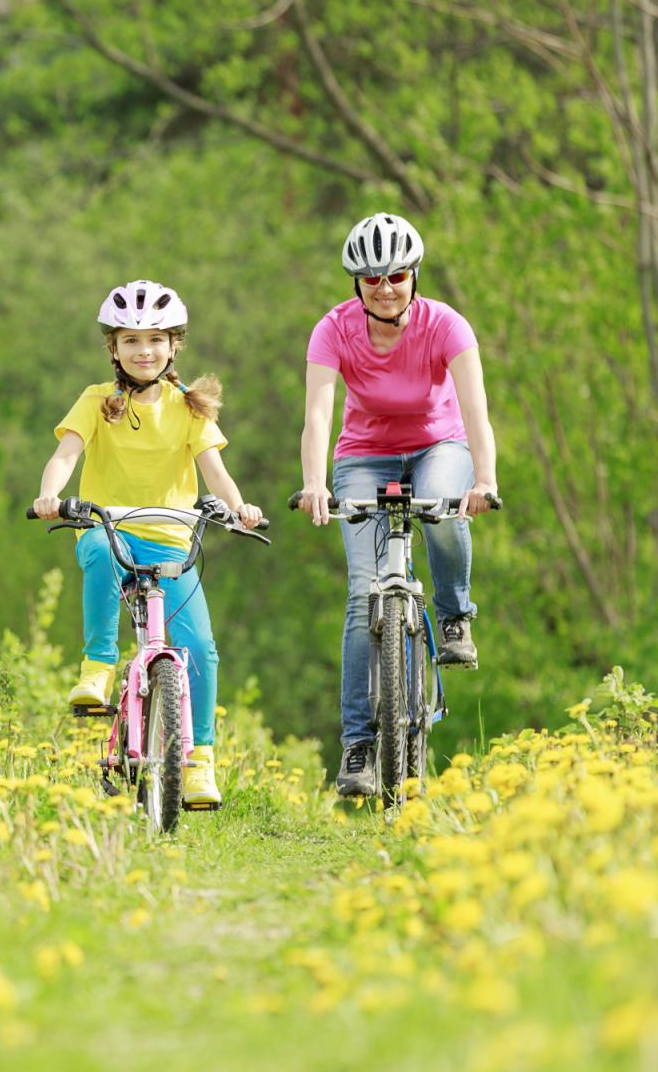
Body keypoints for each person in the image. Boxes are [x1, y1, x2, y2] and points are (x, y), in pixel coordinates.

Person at [33, 279, 263, 809]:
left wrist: (240, 507)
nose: (144, 351)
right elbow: (66, 456)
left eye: (155, 339)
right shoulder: (96, 401)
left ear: (174, 345)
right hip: (110, 528)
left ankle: (199, 761)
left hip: (171, 541)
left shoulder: (190, 407)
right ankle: (98, 666)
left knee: (201, 648)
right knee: (94, 554)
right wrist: (51, 494)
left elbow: (216, 474)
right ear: (113, 348)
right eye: (131, 340)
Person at [296, 214, 498, 798]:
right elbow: (316, 415)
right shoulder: (333, 330)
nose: (385, 287)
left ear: (415, 275)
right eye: (371, 277)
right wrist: (314, 481)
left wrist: (483, 478)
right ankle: (358, 746)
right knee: (363, 595)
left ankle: (455, 612)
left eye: (397, 275)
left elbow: (476, 409)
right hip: (364, 455)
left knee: (445, 515)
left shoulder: (446, 325)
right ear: (355, 283)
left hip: (440, 445)